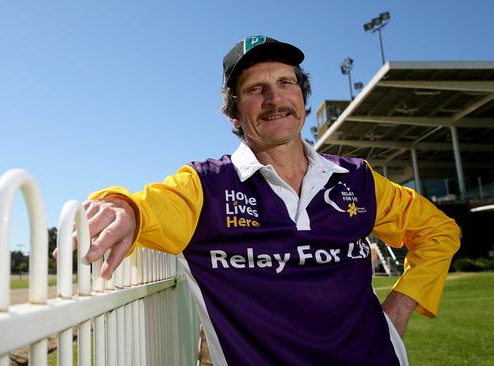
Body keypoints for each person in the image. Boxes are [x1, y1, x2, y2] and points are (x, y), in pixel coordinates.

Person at [68, 36, 460, 365]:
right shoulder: (207, 185)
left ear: (302, 100)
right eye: (256, 89)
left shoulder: (356, 178)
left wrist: (399, 308)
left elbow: (438, 231)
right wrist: (122, 207)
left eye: (286, 84)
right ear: (234, 115)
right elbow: (149, 206)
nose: (275, 98)